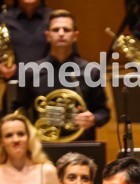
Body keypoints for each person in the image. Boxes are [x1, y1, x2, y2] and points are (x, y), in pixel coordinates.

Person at [13, 10, 110, 141]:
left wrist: (93, 119)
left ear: (75, 35)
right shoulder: (31, 71)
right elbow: (19, 109)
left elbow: (103, 112)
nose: (61, 33)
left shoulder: (91, 71)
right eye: (56, 29)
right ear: (47, 35)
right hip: (43, 146)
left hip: (82, 144)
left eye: (66, 29)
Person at [0, 0, 51, 80]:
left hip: (46, 83)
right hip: (12, 84)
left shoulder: (54, 19)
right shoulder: (3, 19)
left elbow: (70, 55)